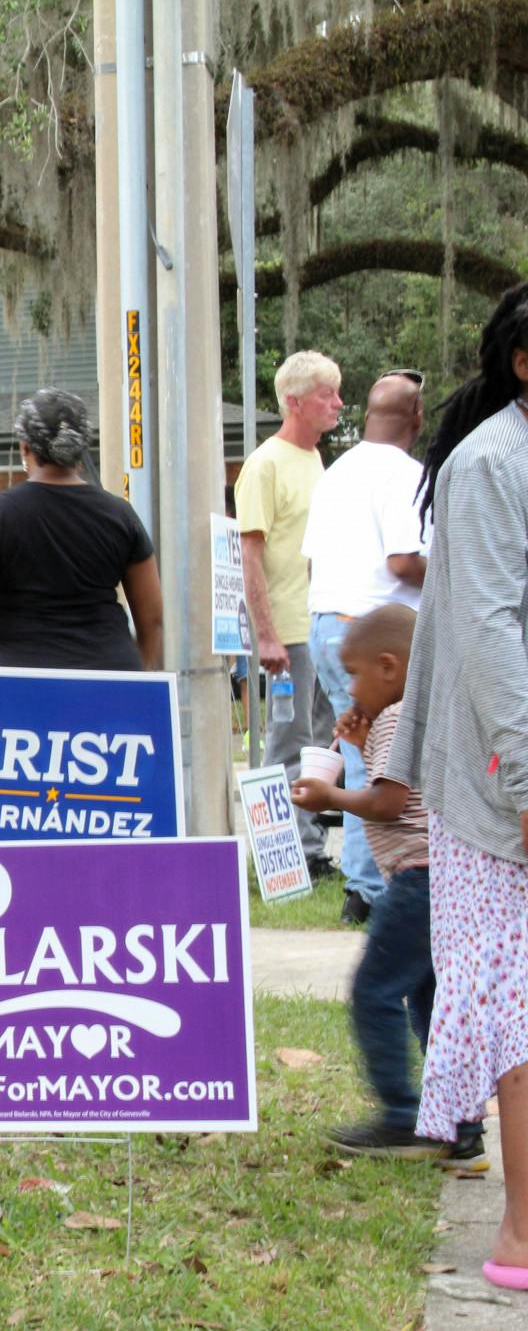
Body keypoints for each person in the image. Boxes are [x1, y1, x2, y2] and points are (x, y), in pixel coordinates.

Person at [388, 283, 528, 1292]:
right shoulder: (490, 466)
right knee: (518, 1018)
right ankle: (518, 1235)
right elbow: (489, 636)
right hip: (500, 786)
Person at [291, 605, 484, 1166]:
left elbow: (388, 801)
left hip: (420, 880)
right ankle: (458, 1126)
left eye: (353, 673)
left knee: (374, 991)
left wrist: (329, 799)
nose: (347, 687)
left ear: (390, 667)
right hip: (438, 879)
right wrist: (363, 737)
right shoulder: (402, 720)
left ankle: (403, 1117)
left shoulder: (400, 717)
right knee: (428, 1001)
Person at [299, 372, 430, 924]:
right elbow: (403, 561)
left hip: (329, 623)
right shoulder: (407, 473)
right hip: (381, 635)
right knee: (394, 766)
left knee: (360, 758)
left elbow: (311, 558)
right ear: (418, 420)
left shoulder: (336, 471)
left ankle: (362, 887)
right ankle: (381, 887)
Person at [0, 390, 162, 670]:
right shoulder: (121, 514)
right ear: (80, 448)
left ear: (25, 447)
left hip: (24, 681)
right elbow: (152, 618)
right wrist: (143, 672)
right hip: (108, 673)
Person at [240, 349, 342, 875]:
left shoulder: (313, 459)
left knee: (320, 741)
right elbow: (250, 554)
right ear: (296, 402)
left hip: (320, 623)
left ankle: (310, 846)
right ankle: (282, 858)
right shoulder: (265, 464)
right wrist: (267, 635)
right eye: (328, 395)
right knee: (287, 743)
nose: (338, 404)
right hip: (287, 632)